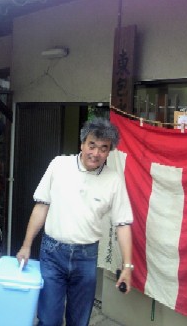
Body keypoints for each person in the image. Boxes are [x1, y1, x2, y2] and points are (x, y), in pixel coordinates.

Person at [16, 117, 134, 326]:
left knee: (79, 321)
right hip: (52, 253)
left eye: (103, 148)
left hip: (86, 257)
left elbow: (123, 224)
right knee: (48, 319)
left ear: (109, 152)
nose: (96, 153)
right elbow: (41, 206)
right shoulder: (59, 165)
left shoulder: (114, 179)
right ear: (82, 143)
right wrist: (26, 246)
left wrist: (127, 266)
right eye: (92, 145)